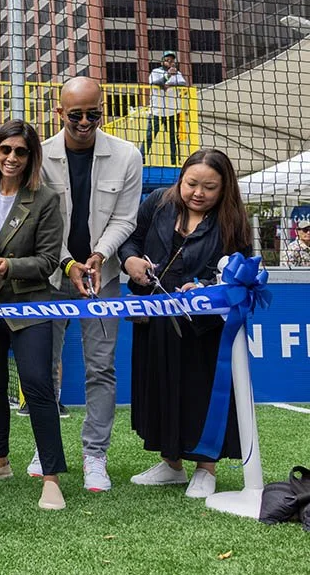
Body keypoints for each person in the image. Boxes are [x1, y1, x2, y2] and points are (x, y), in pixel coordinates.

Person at [119, 148, 252, 499]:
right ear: (181, 180)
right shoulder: (157, 203)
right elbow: (131, 239)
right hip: (155, 316)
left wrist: (206, 288)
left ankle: (206, 468)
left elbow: (242, 268)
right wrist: (130, 260)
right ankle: (171, 463)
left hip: (203, 326)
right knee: (159, 387)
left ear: (224, 188)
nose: (198, 193)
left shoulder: (234, 220)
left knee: (202, 391)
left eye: (209, 187)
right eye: (191, 183)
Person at [40, 77, 143, 492]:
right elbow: (41, 224)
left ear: (103, 110)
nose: (84, 122)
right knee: (43, 367)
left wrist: (98, 256)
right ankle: (47, 447)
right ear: (59, 112)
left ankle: (95, 454)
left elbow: (125, 219)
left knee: (101, 367)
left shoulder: (128, 155)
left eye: (93, 114)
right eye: (75, 115)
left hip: (105, 277)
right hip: (51, 275)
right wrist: (68, 263)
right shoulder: (40, 156)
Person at [0, 120, 67, 511]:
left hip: (30, 306)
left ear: (31, 156)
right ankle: (0, 461)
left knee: (38, 385)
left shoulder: (46, 199)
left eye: (20, 151)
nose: (11, 157)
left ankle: (51, 477)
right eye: (5, 149)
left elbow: (48, 260)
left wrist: (10, 266)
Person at [142, 50, 188, 165]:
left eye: (172, 61)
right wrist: (168, 76)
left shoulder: (177, 73)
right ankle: (141, 157)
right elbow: (155, 82)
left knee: (174, 138)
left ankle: (175, 160)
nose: (170, 63)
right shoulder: (156, 71)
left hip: (173, 111)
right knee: (150, 136)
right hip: (157, 111)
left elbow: (183, 83)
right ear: (162, 61)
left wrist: (169, 84)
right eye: (167, 60)